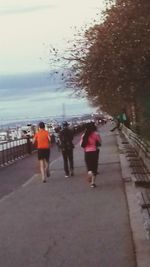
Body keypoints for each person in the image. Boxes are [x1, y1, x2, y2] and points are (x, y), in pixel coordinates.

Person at [80, 122, 102, 188]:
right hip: (94, 152)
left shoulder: (83, 135)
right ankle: (92, 183)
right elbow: (100, 142)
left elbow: (81, 145)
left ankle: (89, 173)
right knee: (94, 167)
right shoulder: (95, 134)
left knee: (89, 167)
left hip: (87, 152)